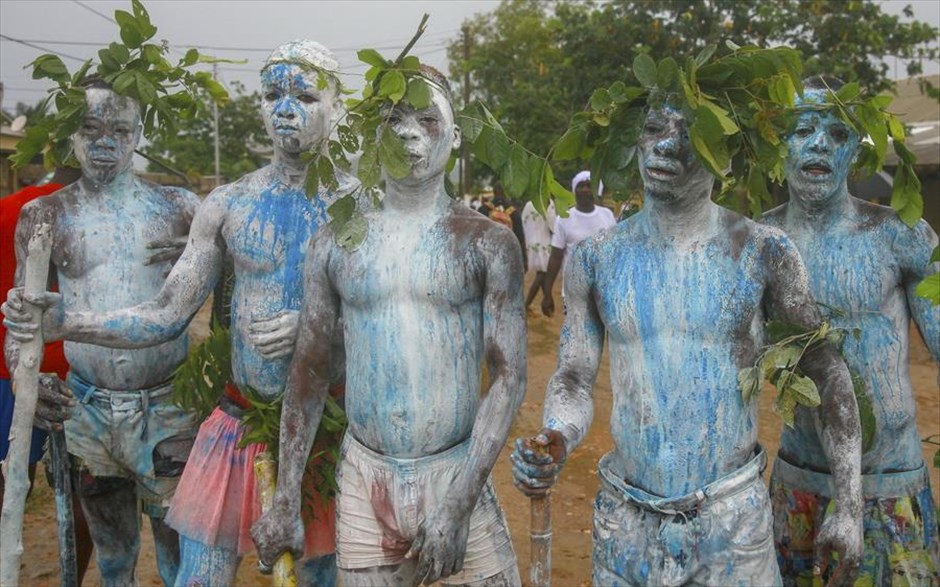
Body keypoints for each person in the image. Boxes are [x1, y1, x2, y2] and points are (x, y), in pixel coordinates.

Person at [4, 40, 356, 586]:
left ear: (339, 106)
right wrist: (65, 325)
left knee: (319, 574)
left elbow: (393, 322)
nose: (285, 109)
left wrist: (326, 331)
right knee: (197, 575)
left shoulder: (363, 206)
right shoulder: (227, 204)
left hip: (327, 430)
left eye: (305, 95)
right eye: (271, 95)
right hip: (237, 421)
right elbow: (166, 313)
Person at [511, 104, 864, 586]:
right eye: (654, 129)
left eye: (690, 132)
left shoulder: (764, 251)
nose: (667, 144)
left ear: (726, 153)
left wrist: (849, 503)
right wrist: (556, 434)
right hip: (626, 521)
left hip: (730, 521)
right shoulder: (599, 258)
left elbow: (825, 367)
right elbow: (574, 374)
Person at [251, 66, 524, 586]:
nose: (408, 133)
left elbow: (509, 379)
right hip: (363, 477)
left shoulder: (486, 242)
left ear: (456, 136)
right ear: (374, 135)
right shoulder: (335, 242)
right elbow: (309, 371)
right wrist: (286, 498)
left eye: (427, 119)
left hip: (455, 471)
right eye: (394, 119)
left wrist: (458, 507)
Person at [2, 81, 200, 586]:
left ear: (138, 134)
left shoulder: (180, 208)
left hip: (169, 407)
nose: (105, 142)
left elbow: (218, 300)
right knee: (113, 559)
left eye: (119, 130)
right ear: (71, 133)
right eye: (90, 129)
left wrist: (204, 262)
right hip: (89, 410)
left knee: (182, 560)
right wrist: (28, 381)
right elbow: (23, 323)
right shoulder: (45, 215)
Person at [762, 76, 940, 585]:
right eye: (803, 130)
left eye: (838, 135)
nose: (820, 143)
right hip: (798, 484)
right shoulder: (758, 244)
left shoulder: (899, 236)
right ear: (781, 143)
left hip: (891, 486)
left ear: (854, 156)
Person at [0, 168, 94, 583]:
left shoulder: (7, 210)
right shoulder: (93, 213)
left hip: (10, 365)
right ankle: (71, 577)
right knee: (82, 487)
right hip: (81, 366)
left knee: (10, 478)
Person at [540, 170, 615, 316]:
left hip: (603, 292)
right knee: (576, 337)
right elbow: (556, 257)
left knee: (600, 337)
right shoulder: (564, 219)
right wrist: (547, 293)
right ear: (574, 190)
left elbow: (615, 253)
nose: (585, 189)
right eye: (581, 185)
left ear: (596, 190)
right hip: (573, 294)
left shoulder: (607, 216)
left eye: (589, 185)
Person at [521, 198, 556, 311]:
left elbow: (524, 221)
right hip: (544, 241)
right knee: (542, 274)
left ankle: (548, 302)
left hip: (531, 243)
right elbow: (553, 224)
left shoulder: (528, 204)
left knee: (542, 274)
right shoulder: (547, 202)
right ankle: (527, 304)